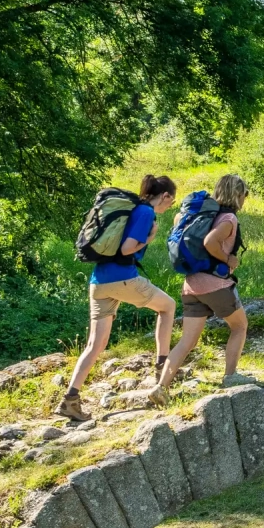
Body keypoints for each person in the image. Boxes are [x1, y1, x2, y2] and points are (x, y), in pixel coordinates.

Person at [58, 175, 178, 421]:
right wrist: (151, 237)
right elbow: (127, 248)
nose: (169, 207)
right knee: (168, 307)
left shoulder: (133, 208)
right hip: (122, 279)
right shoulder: (145, 213)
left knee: (95, 345)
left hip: (99, 282)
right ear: (164, 196)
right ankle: (162, 369)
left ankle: (70, 399)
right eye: (171, 202)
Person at [156, 174, 254, 397]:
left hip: (191, 286)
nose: (245, 199)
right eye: (245, 194)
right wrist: (228, 260)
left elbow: (178, 226)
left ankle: (161, 387)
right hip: (216, 285)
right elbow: (210, 242)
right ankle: (230, 376)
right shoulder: (228, 218)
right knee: (239, 326)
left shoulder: (199, 215)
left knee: (187, 341)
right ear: (238, 195)